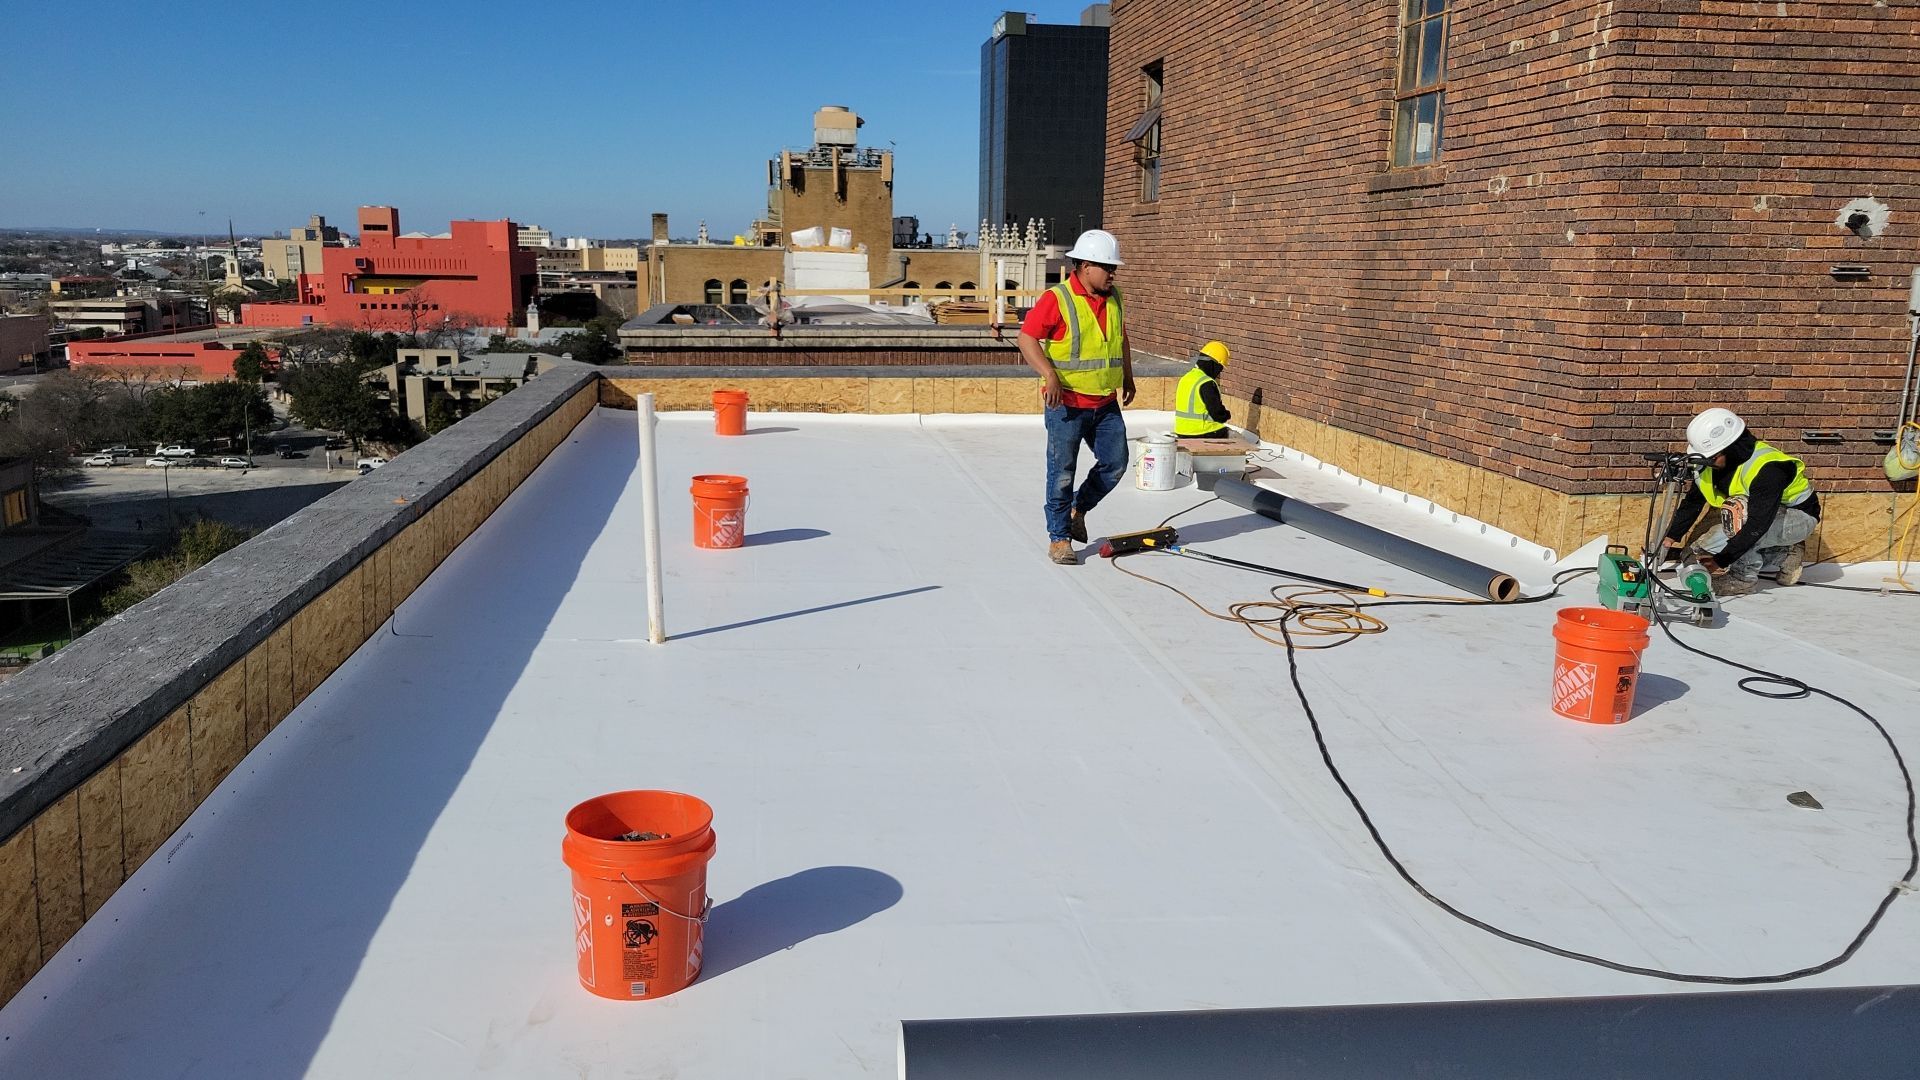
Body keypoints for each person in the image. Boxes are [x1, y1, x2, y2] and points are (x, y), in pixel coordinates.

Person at [1017, 229, 1137, 565]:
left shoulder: (1116, 297)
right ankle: (1059, 539)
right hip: (1066, 405)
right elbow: (1027, 339)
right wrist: (1049, 375)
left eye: (1114, 268)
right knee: (1061, 473)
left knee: (1116, 464)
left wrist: (1127, 374)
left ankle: (1077, 508)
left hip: (1104, 403)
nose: (1112, 274)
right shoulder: (1057, 299)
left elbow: (1121, 339)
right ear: (1085, 266)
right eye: (1107, 268)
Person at [1660, 407, 1820, 596]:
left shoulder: (1768, 469)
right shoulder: (1711, 463)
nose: (1708, 463)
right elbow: (1693, 503)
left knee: (1736, 518)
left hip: (1798, 518)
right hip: (1753, 515)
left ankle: (1744, 578)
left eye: (1711, 457)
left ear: (1732, 448)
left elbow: (1756, 524)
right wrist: (1668, 539)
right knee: (1699, 552)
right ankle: (1787, 554)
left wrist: (1721, 561)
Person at [1172, 341, 1234, 439]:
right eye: (1220, 369)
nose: (1219, 373)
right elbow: (1217, 414)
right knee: (1232, 435)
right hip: (1202, 432)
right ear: (1214, 365)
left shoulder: (1186, 378)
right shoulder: (1206, 382)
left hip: (1181, 431)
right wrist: (1226, 414)